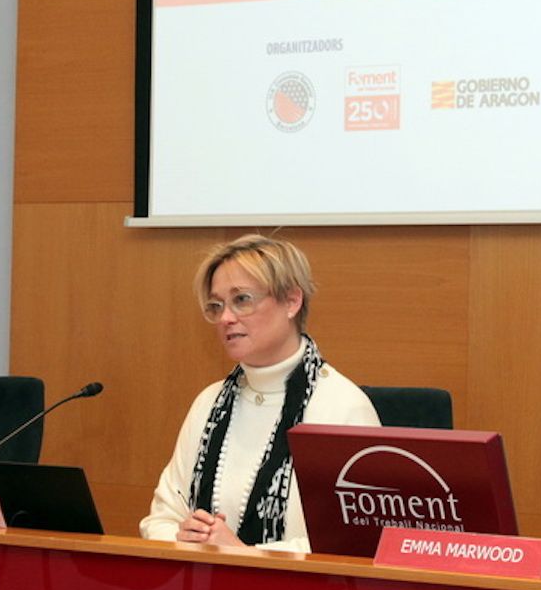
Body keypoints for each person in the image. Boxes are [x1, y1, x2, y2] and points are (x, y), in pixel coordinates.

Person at [141, 234, 380, 553]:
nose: (226, 318)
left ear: (292, 301)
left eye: (242, 299)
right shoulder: (208, 403)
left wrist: (245, 555)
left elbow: (352, 545)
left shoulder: (343, 408)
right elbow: (160, 518)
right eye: (217, 305)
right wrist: (186, 539)